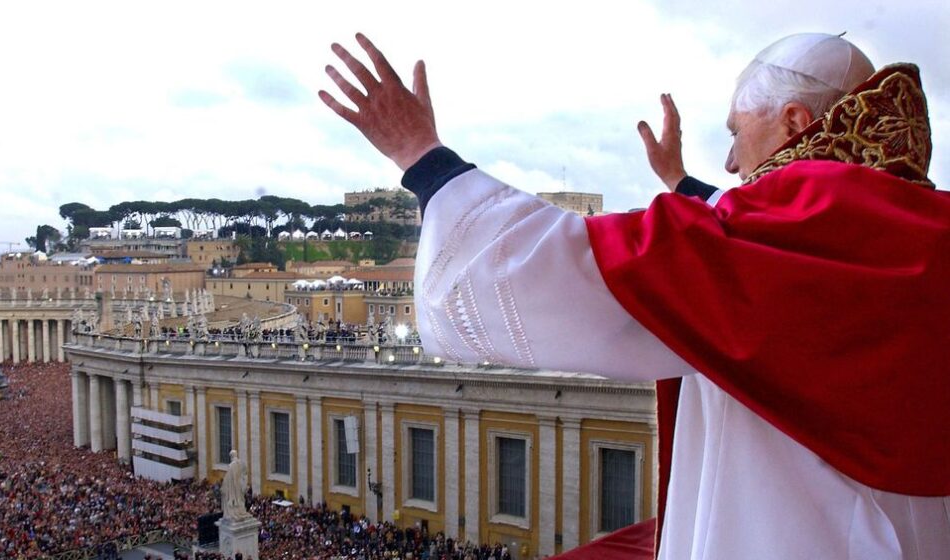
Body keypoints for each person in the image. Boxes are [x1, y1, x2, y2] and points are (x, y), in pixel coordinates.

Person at [320, 32, 949, 559]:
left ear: (794, 123)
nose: (730, 162)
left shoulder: (780, 239)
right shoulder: (919, 228)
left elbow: (564, 272)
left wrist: (423, 158)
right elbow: (748, 245)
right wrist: (680, 181)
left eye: (736, 131)